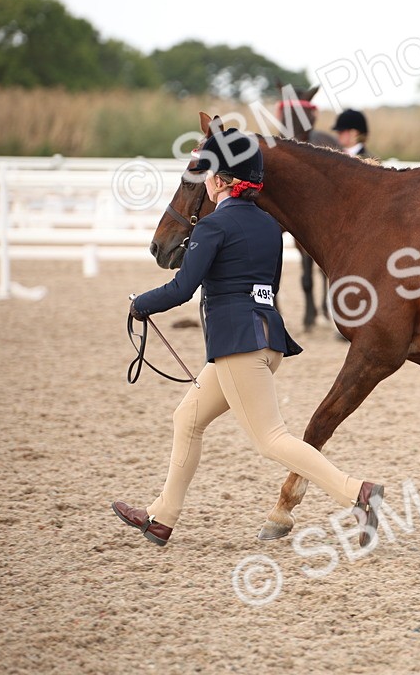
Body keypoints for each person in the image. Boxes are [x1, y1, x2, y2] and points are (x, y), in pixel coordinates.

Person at [112, 126, 383, 547]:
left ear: (220, 180)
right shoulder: (269, 227)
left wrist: (141, 304)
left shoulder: (213, 227)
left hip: (238, 346)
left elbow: (183, 289)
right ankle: (161, 517)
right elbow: (265, 284)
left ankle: (357, 492)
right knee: (187, 418)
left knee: (271, 439)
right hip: (265, 339)